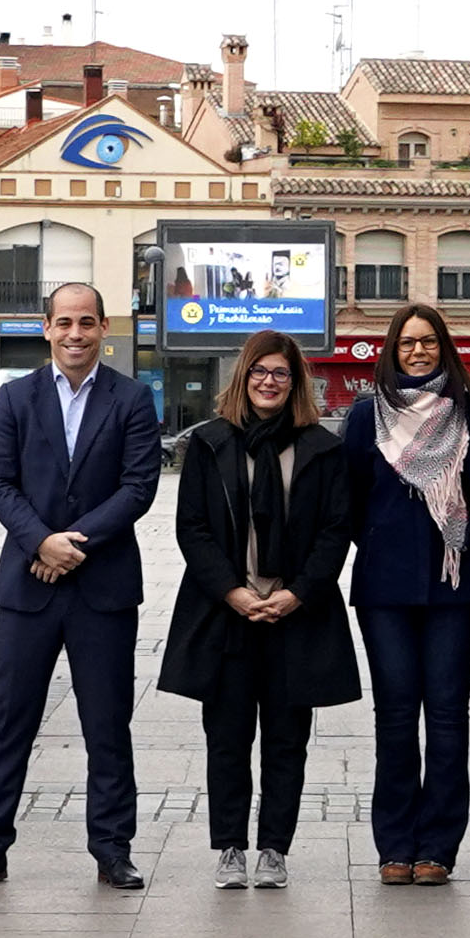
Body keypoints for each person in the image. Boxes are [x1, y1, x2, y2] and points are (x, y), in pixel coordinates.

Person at [0, 282, 165, 889]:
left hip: (103, 590)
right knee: (8, 722)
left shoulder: (131, 398)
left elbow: (139, 487)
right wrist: (40, 542)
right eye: (65, 322)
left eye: (87, 322)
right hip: (29, 588)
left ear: (103, 329)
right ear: (45, 328)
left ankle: (113, 849)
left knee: (108, 724)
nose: (76, 334)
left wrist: (70, 545)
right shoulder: (15, 397)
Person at [158, 328, 359, 889]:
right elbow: (192, 528)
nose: (269, 382)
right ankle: (230, 846)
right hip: (227, 614)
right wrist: (234, 592)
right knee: (226, 738)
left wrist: (297, 593)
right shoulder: (210, 443)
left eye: (280, 374)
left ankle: (274, 848)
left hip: (298, 616)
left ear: (295, 384)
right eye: (259, 371)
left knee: (287, 741)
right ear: (243, 376)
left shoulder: (322, 448)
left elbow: (336, 530)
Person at [338, 302, 470, 885]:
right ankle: (394, 846)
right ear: (392, 349)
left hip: (453, 588)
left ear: (444, 347)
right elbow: (348, 500)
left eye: (428, 341)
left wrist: (466, 542)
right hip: (384, 589)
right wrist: (380, 539)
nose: (418, 351)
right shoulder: (367, 416)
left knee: (447, 715)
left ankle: (436, 847)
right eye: (407, 342)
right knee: (394, 715)